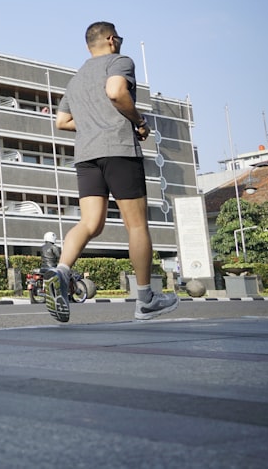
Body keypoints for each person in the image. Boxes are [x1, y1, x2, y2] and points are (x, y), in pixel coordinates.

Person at [49, 21, 178, 323]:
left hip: (86, 156)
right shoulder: (120, 61)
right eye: (119, 38)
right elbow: (116, 91)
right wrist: (139, 121)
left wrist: (94, 124)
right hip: (118, 150)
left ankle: (61, 271)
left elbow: (62, 121)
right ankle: (145, 299)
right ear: (111, 39)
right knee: (136, 226)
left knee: (90, 223)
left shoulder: (77, 78)